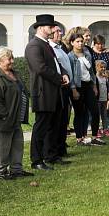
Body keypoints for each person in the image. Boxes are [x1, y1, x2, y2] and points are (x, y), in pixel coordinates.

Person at [25, 14, 69, 171]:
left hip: (54, 91)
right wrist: (60, 78)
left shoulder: (47, 45)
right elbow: (40, 68)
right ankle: (36, 160)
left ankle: (51, 155)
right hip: (44, 92)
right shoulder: (34, 45)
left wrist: (63, 73)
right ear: (41, 27)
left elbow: (57, 64)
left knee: (54, 126)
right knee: (41, 127)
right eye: (50, 27)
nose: (52, 29)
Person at [0, 47, 31, 180]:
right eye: (9, 58)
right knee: (2, 147)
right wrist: (5, 115)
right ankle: (0, 172)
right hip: (4, 119)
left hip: (16, 117)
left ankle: (16, 169)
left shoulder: (14, 73)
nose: (12, 61)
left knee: (17, 143)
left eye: (12, 58)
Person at [68, 33, 105, 146]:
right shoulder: (70, 56)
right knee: (79, 112)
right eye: (77, 41)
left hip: (88, 85)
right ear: (72, 43)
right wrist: (73, 89)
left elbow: (91, 71)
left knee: (94, 111)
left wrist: (94, 85)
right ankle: (79, 137)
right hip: (77, 86)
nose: (80, 43)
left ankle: (94, 136)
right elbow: (70, 74)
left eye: (81, 41)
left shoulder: (87, 54)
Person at [49, 25, 73, 162]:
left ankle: (61, 147)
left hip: (66, 85)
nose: (60, 33)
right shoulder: (50, 48)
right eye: (57, 31)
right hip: (59, 87)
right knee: (57, 120)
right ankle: (56, 150)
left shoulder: (61, 47)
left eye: (60, 31)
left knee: (64, 119)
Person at [91, 34, 109, 130]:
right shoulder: (91, 52)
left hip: (106, 79)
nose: (100, 46)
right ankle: (94, 123)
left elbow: (106, 63)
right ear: (94, 43)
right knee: (95, 102)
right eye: (98, 44)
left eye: (102, 44)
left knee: (107, 100)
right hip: (96, 79)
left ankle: (108, 122)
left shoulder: (108, 53)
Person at [95, 60, 109, 137]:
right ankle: (97, 130)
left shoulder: (105, 78)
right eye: (101, 67)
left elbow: (108, 89)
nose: (103, 68)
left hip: (104, 99)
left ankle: (105, 129)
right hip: (97, 100)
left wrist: (108, 99)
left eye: (104, 67)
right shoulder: (95, 77)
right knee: (97, 115)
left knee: (104, 115)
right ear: (97, 67)